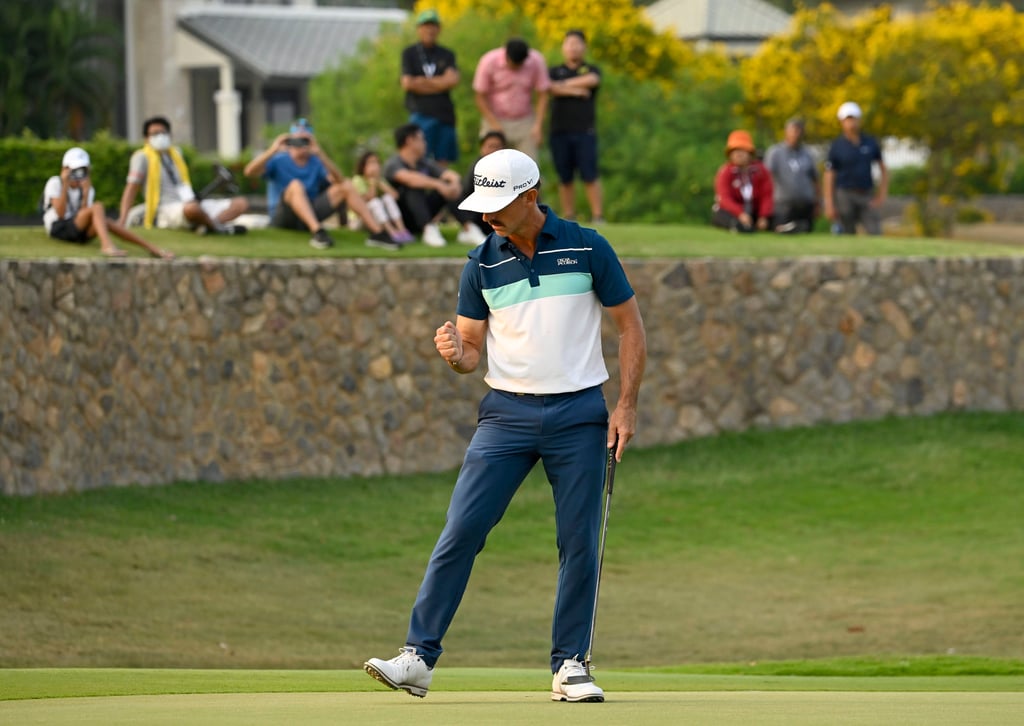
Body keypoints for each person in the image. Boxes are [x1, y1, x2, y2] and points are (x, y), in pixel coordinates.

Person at [364, 148, 647, 704]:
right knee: (461, 531)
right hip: (506, 415)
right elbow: (472, 351)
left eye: (498, 204)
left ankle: (570, 665)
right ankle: (418, 658)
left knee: (578, 543)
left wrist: (627, 404)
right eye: (483, 204)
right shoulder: (480, 262)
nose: (487, 215)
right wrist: (455, 355)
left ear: (530, 195)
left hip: (578, 413)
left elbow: (630, 328)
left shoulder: (588, 246)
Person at [243, 119, 401, 251]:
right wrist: (273, 149)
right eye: (297, 139)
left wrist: (320, 153)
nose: (301, 145)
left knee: (345, 184)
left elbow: (339, 180)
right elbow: (249, 172)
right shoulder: (279, 159)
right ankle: (318, 232)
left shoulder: (315, 161)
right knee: (296, 185)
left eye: (305, 140)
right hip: (284, 216)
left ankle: (378, 233)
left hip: (311, 210)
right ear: (290, 140)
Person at [118, 116, 248, 235]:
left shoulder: (175, 154)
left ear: (170, 135)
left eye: (163, 133)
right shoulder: (141, 157)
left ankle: (206, 226)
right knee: (192, 210)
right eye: (155, 134)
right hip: (166, 209)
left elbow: (183, 184)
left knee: (241, 203)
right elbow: (131, 188)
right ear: (146, 138)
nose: (160, 136)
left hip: (189, 201)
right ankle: (218, 228)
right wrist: (123, 220)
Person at [44, 147, 174, 259]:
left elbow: (83, 216)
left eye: (83, 170)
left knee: (106, 222)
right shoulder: (55, 182)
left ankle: (151, 248)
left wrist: (85, 193)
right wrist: (66, 183)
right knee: (98, 206)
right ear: (66, 169)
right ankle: (107, 245)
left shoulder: (88, 189)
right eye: (75, 170)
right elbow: (60, 215)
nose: (78, 174)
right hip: (58, 229)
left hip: (78, 233)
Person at [382, 123, 485, 247]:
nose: (425, 143)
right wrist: (438, 184)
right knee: (413, 188)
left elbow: (450, 175)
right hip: (401, 218)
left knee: (446, 185)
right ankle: (428, 229)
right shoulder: (393, 164)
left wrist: (454, 184)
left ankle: (469, 228)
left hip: (423, 211)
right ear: (410, 140)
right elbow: (409, 179)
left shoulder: (424, 163)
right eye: (422, 139)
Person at [548, 30, 604, 223]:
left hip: (584, 131)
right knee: (565, 176)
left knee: (590, 174)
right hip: (559, 130)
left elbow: (592, 80)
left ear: (584, 47)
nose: (573, 47)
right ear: (563, 47)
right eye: (569, 43)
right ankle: (569, 215)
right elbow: (549, 87)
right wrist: (575, 91)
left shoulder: (591, 69)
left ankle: (598, 215)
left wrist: (563, 86)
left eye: (576, 43)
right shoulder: (554, 71)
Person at [472, 38, 550, 161]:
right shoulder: (489, 61)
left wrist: (538, 125)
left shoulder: (536, 61)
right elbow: (480, 96)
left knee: (528, 165)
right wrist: (494, 124)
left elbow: (542, 94)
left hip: (525, 121)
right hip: (495, 119)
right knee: (492, 166)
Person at [400, 9, 460, 167]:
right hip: (421, 113)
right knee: (418, 156)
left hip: (444, 114)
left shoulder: (447, 54)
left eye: (433, 25)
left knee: (443, 159)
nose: (429, 29)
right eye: (426, 25)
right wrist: (440, 83)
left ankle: (441, 190)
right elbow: (407, 83)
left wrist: (422, 81)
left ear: (439, 28)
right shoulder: (410, 53)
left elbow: (452, 80)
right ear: (419, 29)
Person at [823, 101, 889, 235]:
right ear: (841, 122)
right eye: (848, 119)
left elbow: (883, 169)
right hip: (845, 194)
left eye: (854, 119)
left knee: (875, 232)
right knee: (847, 234)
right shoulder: (837, 146)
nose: (851, 123)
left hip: (866, 194)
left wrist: (881, 195)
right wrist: (829, 203)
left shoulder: (870, 142)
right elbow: (829, 175)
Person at [711, 130, 774, 233]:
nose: (738, 154)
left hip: (754, 212)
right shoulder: (725, 172)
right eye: (735, 151)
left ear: (750, 152)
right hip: (734, 213)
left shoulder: (761, 171)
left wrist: (764, 216)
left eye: (742, 150)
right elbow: (724, 198)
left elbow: (766, 195)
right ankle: (737, 226)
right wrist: (740, 213)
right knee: (721, 215)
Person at [763, 117, 819, 233]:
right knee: (783, 231)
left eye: (799, 131)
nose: (796, 134)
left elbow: (815, 179)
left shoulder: (808, 153)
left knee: (805, 233)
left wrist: (818, 202)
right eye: (793, 130)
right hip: (783, 205)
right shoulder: (775, 152)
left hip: (805, 205)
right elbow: (766, 179)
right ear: (786, 132)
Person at [349, 151, 414, 243]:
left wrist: (379, 183)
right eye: (371, 162)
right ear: (363, 165)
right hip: (360, 221)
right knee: (375, 202)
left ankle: (402, 230)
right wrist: (372, 182)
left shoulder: (380, 180)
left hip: (377, 219)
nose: (375, 166)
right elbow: (369, 199)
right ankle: (391, 232)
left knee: (387, 198)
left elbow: (395, 196)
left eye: (377, 162)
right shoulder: (358, 180)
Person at [459, 130, 507, 237]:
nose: (494, 150)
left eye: (498, 146)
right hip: (479, 215)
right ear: (482, 148)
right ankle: (469, 230)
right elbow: (466, 192)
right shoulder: (477, 167)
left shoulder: (509, 168)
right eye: (490, 146)